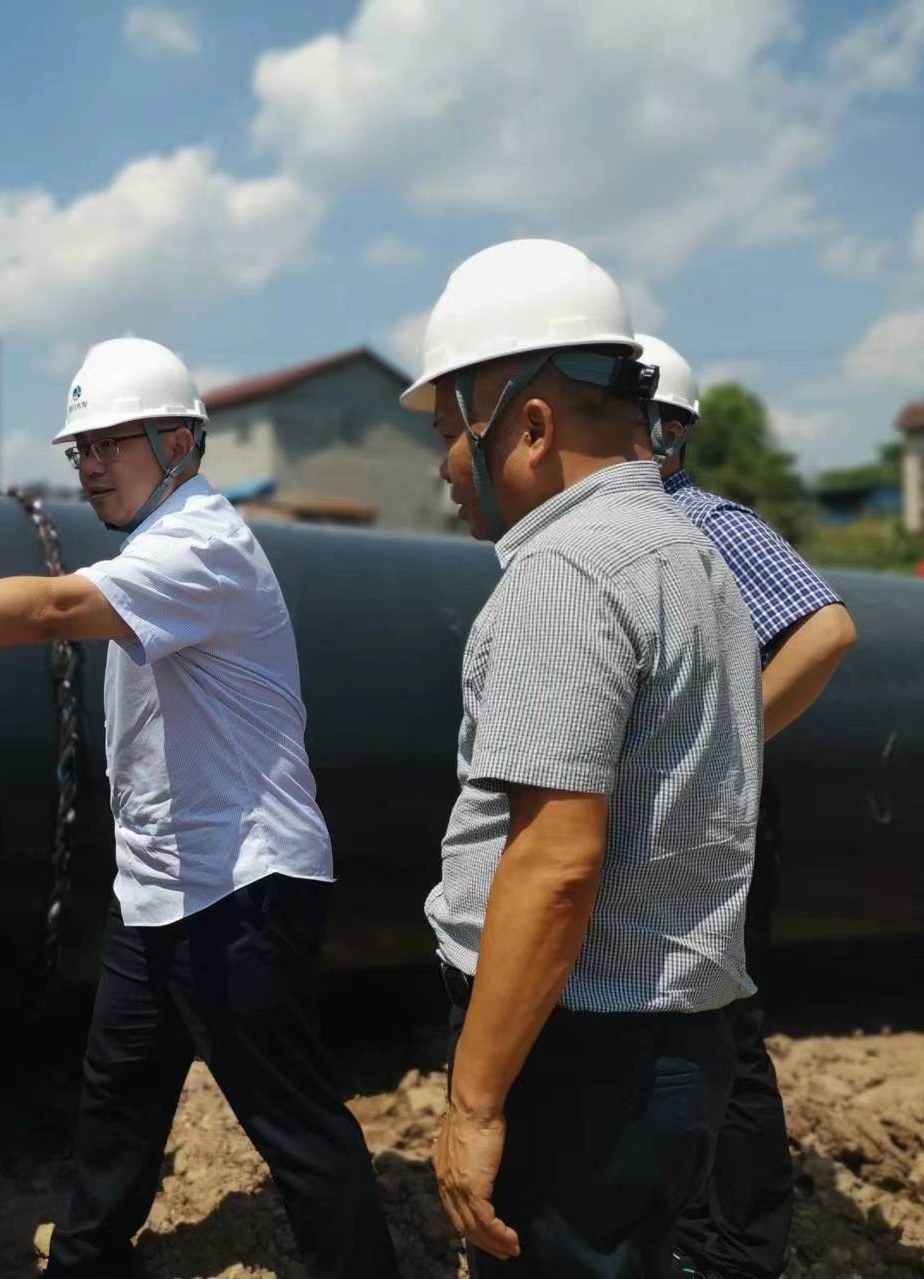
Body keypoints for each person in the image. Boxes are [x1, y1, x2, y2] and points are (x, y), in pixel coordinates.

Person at [0, 338, 400, 1279]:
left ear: (180, 442)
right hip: (161, 889)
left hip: (241, 887)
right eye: (81, 449)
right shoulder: (153, 547)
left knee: (291, 1121)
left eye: (111, 443)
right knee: (119, 1101)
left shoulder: (201, 545)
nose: (90, 466)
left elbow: (53, 609)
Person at [402, 240, 763, 1275]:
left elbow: (556, 863)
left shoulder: (566, 572)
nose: (443, 465)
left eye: (448, 430)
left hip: (578, 1056)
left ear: (529, 425)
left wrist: (475, 1104)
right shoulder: (688, 550)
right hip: (669, 1041)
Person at [638, 334, 858, 1279]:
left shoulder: (706, 523)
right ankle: (688, 1227)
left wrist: (725, 740)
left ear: (672, 431)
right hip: (674, 824)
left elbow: (826, 627)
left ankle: (734, 1248)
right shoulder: (632, 534)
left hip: (718, 823)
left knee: (721, 1028)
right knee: (673, 1023)